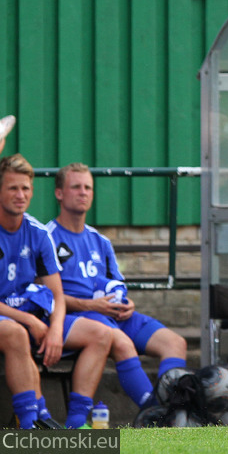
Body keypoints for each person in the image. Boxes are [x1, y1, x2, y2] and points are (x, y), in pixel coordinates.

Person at [47, 163, 188, 410]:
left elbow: (116, 283)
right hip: (77, 316)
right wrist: (91, 304)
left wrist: (126, 303)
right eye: (76, 187)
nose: (83, 192)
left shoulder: (100, 241)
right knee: (122, 342)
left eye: (88, 188)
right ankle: (156, 414)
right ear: (59, 193)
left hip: (110, 314)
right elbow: (47, 296)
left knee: (175, 343)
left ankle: (173, 406)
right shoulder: (46, 237)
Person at [0, 154, 113, 428]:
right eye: (12, 188)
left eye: (25, 188)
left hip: (30, 315)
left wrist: (55, 329)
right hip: (9, 320)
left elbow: (57, 296)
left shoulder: (38, 234)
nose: (20, 195)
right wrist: (29, 321)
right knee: (16, 333)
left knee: (101, 334)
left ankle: (75, 425)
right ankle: (31, 425)